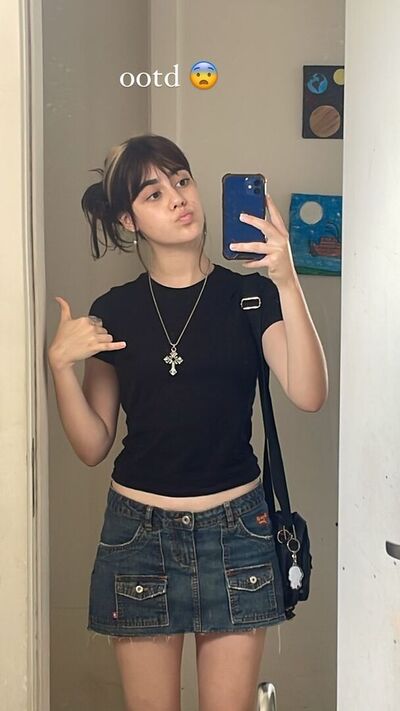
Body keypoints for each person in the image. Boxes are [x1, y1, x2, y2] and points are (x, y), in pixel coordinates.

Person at [47, 134, 328, 711]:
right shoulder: (114, 310)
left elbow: (309, 393)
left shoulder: (250, 296)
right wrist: (59, 368)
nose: (178, 197)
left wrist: (286, 278)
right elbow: (93, 444)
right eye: (154, 193)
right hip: (138, 533)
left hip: (237, 530)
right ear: (129, 220)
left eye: (181, 180)